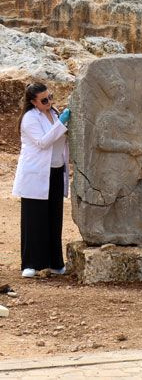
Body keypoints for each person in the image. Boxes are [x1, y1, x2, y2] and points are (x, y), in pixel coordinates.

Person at [11, 82, 71, 278]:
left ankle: (55, 263)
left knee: (54, 218)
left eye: (50, 97)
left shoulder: (53, 114)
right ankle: (30, 264)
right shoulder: (29, 119)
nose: (49, 101)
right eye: (44, 100)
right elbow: (43, 142)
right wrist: (62, 124)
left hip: (55, 171)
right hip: (36, 174)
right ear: (33, 102)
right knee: (34, 219)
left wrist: (62, 123)